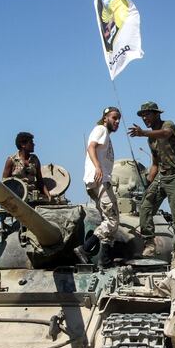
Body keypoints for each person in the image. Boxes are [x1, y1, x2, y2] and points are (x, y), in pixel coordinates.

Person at [128, 101, 175, 267]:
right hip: (161, 177)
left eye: (147, 114)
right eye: (142, 116)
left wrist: (143, 133)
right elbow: (155, 164)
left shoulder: (167, 125)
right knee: (145, 207)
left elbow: (165, 133)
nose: (145, 118)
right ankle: (149, 243)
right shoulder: (151, 140)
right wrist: (147, 183)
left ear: (156, 114)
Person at [74, 107, 121, 268]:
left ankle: (105, 261)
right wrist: (98, 167)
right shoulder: (101, 129)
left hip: (95, 180)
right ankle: (85, 248)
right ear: (105, 118)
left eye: (119, 118)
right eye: (114, 118)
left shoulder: (106, 134)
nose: (117, 121)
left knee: (107, 221)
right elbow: (91, 147)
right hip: (100, 180)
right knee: (113, 220)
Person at [2, 131, 51, 203]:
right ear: (23, 145)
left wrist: (48, 195)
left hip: (33, 197)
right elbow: (5, 182)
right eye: (31, 142)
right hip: (18, 197)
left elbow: (40, 181)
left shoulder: (35, 160)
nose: (34, 144)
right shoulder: (11, 160)